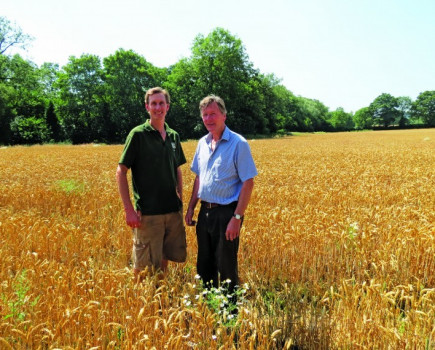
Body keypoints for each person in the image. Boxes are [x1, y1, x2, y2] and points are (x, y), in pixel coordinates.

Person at [185, 95, 257, 293]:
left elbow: (248, 182)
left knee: (226, 267)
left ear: (224, 115)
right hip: (204, 213)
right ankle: (209, 310)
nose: (209, 119)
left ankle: (229, 316)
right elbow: (199, 178)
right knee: (204, 265)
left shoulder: (238, 144)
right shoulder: (202, 143)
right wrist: (191, 207)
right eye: (205, 115)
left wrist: (237, 217)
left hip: (226, 214)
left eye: (213, 114)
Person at [116, 87, 187, 281]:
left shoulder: (173, 136)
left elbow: (178, 169)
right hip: (147, 214)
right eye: (153, 103)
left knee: (164, 259)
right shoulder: (138, 135)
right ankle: (141, 301)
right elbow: (121, 171)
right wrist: (129, 209)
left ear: (168, 106)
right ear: (147, 107)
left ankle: (160, 297)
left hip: (171, 211)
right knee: (143, 265)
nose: (158, 107)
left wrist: (180, 199)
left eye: (161, 103)